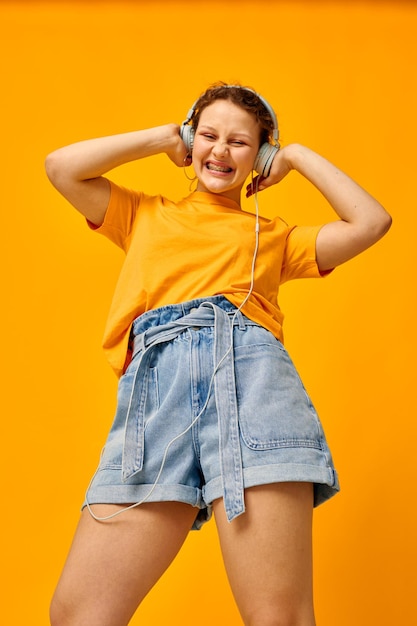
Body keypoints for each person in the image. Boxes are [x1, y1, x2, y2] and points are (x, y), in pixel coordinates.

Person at [45, 82, 391, 626]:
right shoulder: (142, 215)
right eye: (208, 135)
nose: (220, 150)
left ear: (261, 157)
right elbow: (61, 167)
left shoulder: (273, 237)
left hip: (252, 389)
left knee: (277, 617)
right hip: (157, 406)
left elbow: (371, 222)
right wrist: (163, 137)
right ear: (190, 140)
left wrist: (296, 157)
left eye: (240, 142)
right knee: (80, 613)